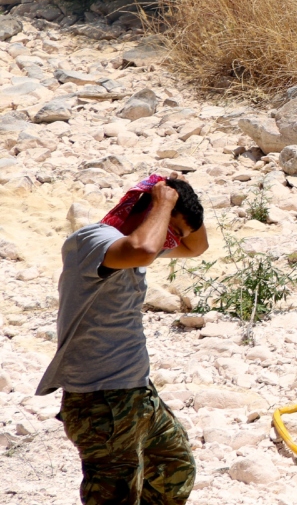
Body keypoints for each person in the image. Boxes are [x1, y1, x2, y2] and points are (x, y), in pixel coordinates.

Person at [38, 174, 209, 505]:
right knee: (114, 495)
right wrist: (163, 203)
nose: (170, 242)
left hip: (136, 393)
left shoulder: (139, 243)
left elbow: (196, 246)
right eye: (169, 232)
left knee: (173, 469)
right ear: (149, 212)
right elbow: (144, 248)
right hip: (100, 401)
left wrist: (182, 198)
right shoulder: (94, 241)